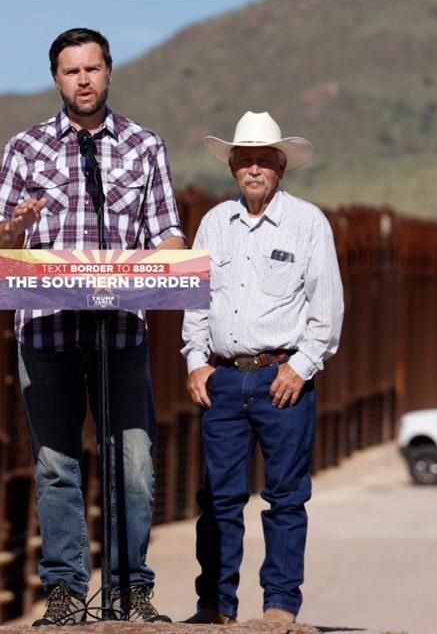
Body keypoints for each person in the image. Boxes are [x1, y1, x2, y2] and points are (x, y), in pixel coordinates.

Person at [0, 28, 184, 625]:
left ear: (110, 72)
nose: (84, 80)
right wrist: (13, 227)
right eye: (72, 71)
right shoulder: (26, 149)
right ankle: (65, 593)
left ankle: (128, 591)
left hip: (120, 332)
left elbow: (167, 234)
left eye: (93, 68)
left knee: (135, 466)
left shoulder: (144, 148)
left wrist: (167, 257)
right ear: (56, 79)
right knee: (56, 466)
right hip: (45, 334)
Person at [180, 111, 344, 624]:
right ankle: (215, 608)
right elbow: (196, 300)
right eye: (244, 160)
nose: (253, 169)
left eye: (263, 161)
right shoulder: (213, 223)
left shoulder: (308, 223)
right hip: (224, 379)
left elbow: (327, 306)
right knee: (219, 500)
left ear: (280, 167)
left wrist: (303, 366)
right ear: (232, 168)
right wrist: (194, 361)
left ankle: (279, 607)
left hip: (282, 378)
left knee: (286, 498)